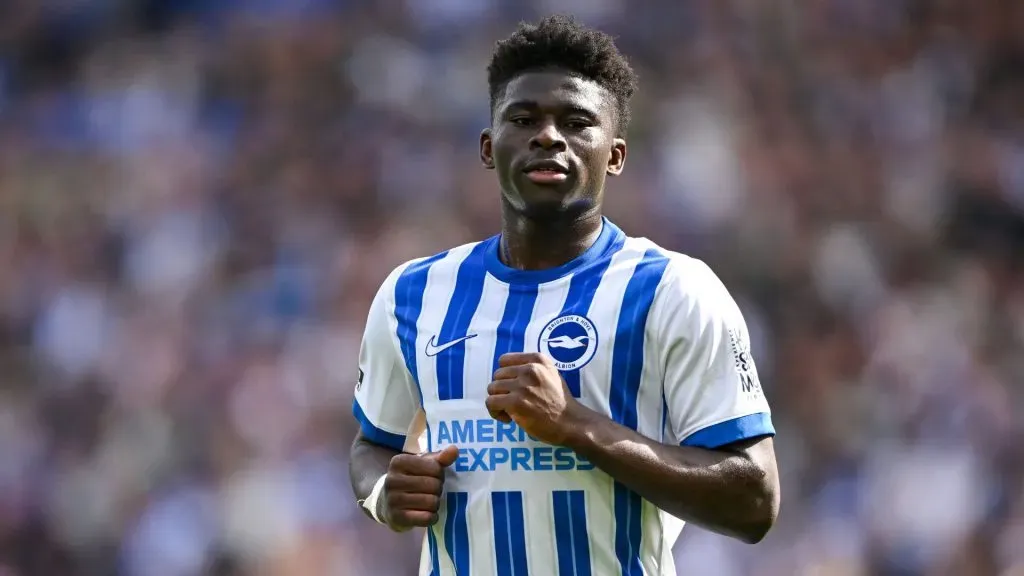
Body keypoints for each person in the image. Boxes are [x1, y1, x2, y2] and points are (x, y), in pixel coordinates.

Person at [349, 14, 779, 575]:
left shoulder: (673, 291)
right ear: (487, 147)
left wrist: (573, 425)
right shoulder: (413, 293)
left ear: (616, 155)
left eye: (576, 122)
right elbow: (371, 445)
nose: (548, 136)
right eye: (523, 118)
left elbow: (754, 501)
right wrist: (385, 493)